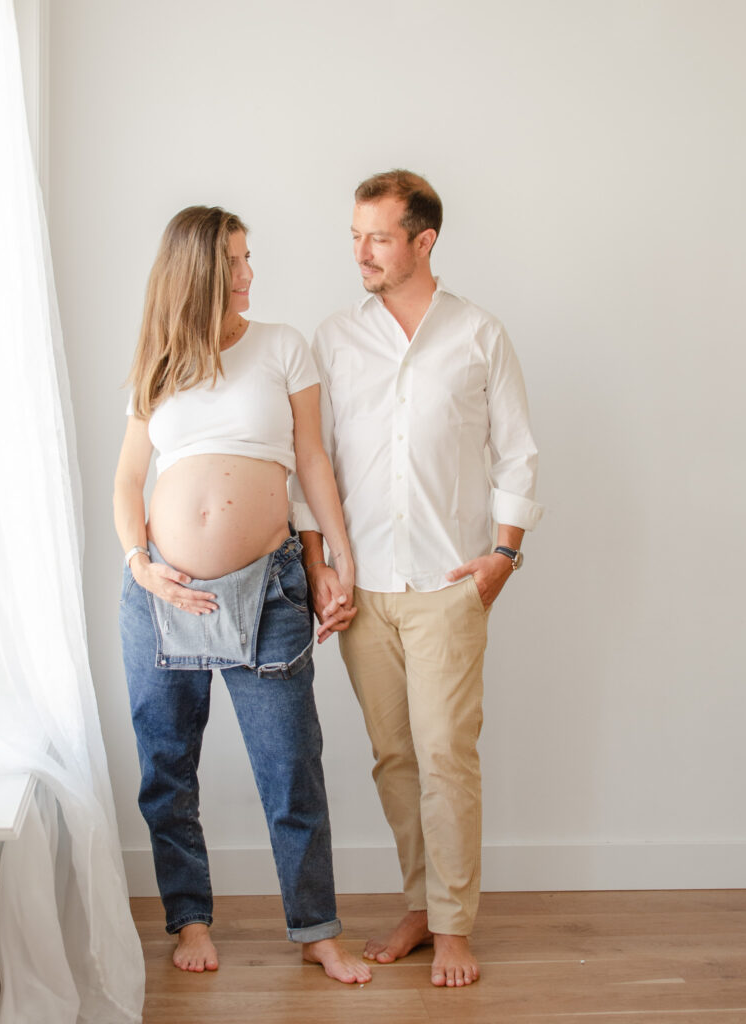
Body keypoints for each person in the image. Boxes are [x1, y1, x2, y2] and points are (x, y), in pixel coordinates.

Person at [292, 170, 542, 988]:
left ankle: (455, 923)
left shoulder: (478, 334)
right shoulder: (334, 337)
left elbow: (516, 450)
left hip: (447, 584)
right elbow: (311, 459)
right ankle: (419, 904)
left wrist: (501, 557)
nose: (360, 252)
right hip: (363, 592)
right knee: (393, 756)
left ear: (423, 241)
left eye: (378, 237)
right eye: (355, 236)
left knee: (445, 756)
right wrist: (320, 565)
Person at [113, 205, 371, 984]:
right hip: (165, 592)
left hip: (269, 590)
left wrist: (338, 558)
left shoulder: (282, 347)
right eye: (237, 260)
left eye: (249, 257)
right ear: (199, 270)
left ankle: (315, 928)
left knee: (291, 765)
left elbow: (313, 461)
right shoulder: (156, 362)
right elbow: (129, 479)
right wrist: (139, 562)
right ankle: (190, 918)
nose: (250, 273)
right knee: (167, 767)